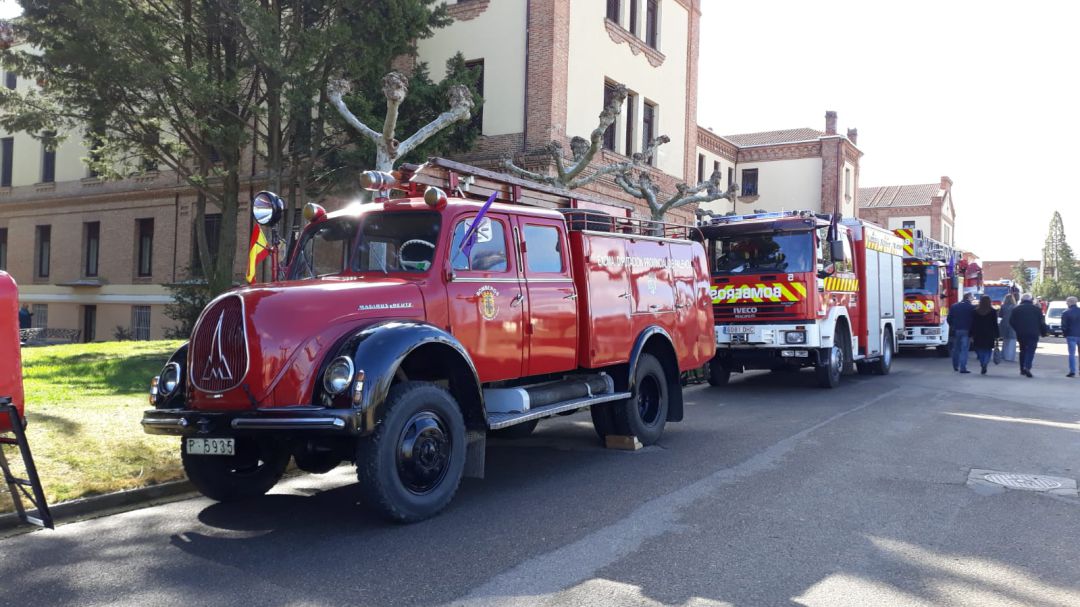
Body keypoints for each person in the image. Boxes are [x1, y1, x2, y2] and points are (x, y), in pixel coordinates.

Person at [1009, 293, 1048, 378]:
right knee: (1031, 350)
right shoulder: (1037, 309)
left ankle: (1022, 369)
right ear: (1031, 300)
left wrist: (1017, 329)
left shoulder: (1016, 309)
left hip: (1021, 333)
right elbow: (1041, 322)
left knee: (1022, 350)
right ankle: (1027, 367)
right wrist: (1043, 332)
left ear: (1022, 300)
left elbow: (1011, 321)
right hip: (1033, 333)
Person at [947, 292, 975, 373]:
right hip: (967, 330)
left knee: (956, 349)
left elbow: (949, 319)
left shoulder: (954, 306)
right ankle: (963, 368)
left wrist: (953, 326)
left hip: (956, 330)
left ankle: (955, 366)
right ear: (969, 298)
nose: (973, 299)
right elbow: (974, 320)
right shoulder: (972, 308)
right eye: (972, 297)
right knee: (964, 349)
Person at [971, 295, 1000, 375]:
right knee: (988, 349)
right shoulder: (993, 311)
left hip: (978, 333)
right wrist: (997, 334)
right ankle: (985, 363)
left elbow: (973, 324)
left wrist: (971, 334)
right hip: (989, 333)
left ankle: (982, 362)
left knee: (979, 349)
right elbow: (995, 324)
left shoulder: (975, 311)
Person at [1062, 296, 1080, 378]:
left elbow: (1064, 326)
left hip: (1071, 335)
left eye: (1067, 302)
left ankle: (1072, 371)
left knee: (1071, 354)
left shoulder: (1066, 312)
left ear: (1070, 302)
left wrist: (1065, 334)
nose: (1066, 303)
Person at [998, 294, 1018, 363]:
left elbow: (1000, 315)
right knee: (1012, 341)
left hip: (1004, 324)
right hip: (1013, 325)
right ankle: (1009, 357)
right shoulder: (1015, 307)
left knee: (1005, 341)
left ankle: (1003, 355)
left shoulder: (1003, 306)